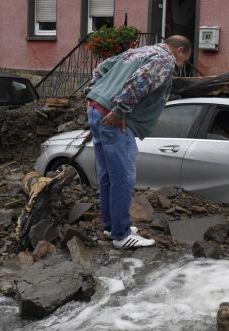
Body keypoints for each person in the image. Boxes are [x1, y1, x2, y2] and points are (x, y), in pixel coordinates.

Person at [85, 35, 192, 249]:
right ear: (179, 50)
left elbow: (100, 69)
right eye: (183, 60)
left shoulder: (138, 52)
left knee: (108, 174)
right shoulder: (164, 59)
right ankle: (121, 235)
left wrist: (94, 95)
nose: (179, 65)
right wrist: (119, 111)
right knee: (123, 177)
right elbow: (140, 82)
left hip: (96, 111)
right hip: (113, 120)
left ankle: (111, 226)